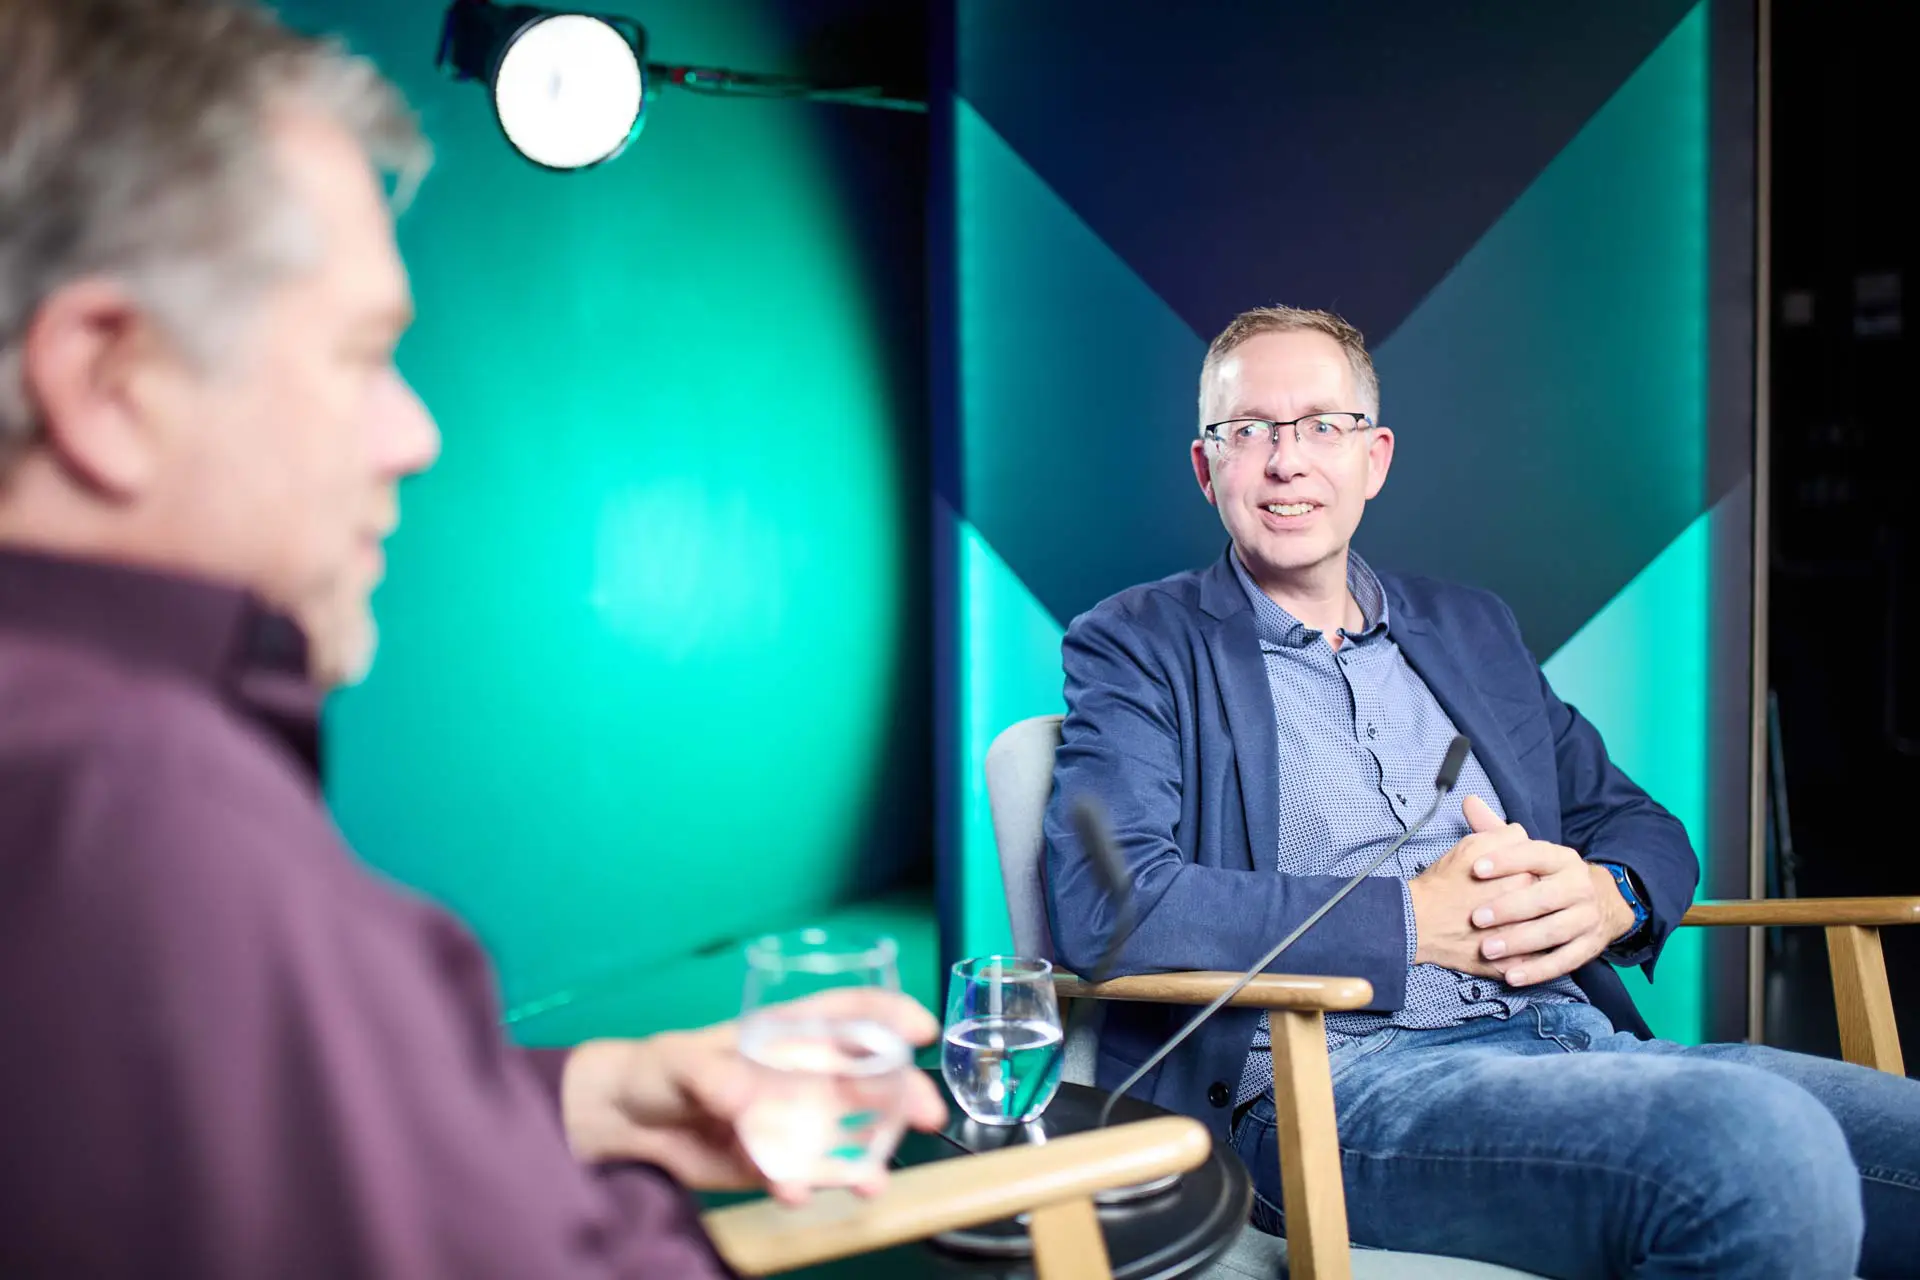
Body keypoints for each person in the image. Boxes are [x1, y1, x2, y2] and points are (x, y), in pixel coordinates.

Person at [0, 2, 942, 1275]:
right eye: (361, 355)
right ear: (108, 382)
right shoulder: (149, 811)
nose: (414, 435)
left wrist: (593, 1094)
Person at [1043, 304, 1920, 1278]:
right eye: (1250, 430)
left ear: (1373, 458)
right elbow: (1109, 904)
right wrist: (1414, 921)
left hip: (1579, 1044)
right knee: (1757, 1150)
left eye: (1323, 426)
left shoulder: (1470, 628)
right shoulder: (1139, 642)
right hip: (1335, 1085)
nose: (1288, 461)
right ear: (1209, 468)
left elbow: (1633, 821)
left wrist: (1610, 893)